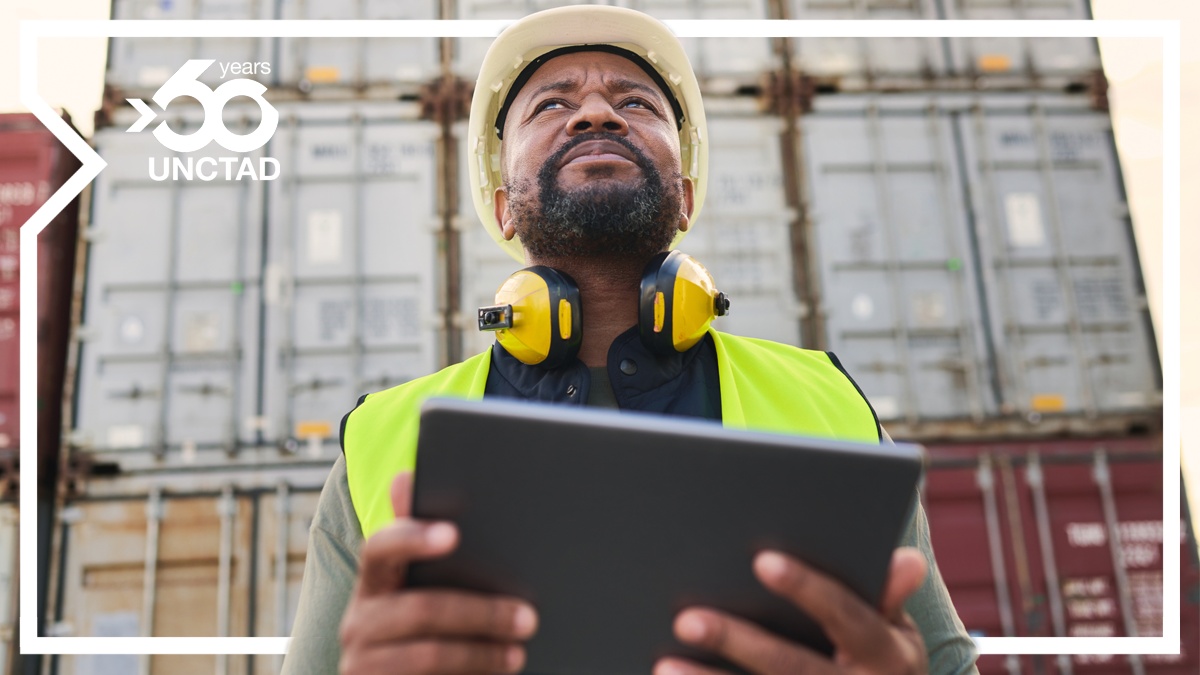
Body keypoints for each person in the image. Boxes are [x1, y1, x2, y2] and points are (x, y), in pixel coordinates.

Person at [280, 6, 980, 675]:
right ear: (501, 204)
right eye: (552, 104)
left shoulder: (830, 404)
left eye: (637, 103)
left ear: (686, 195)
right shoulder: (379, 442)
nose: (597, 112)